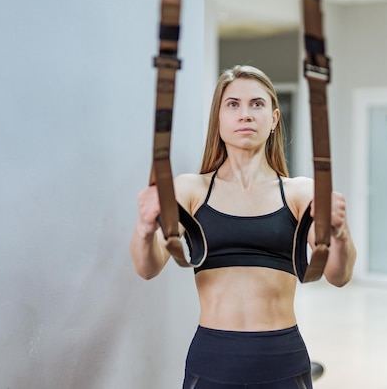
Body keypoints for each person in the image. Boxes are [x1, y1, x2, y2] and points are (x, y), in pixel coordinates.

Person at [130, 65, 357, 388]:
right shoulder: (190, 190)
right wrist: (143, 228)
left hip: (282, 356)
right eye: (233, 104)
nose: (245, 114)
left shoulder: (299, 193)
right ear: (219, 119)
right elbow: (147, 267)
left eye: (257, 104)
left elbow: (339, 275)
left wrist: (340, 232)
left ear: (275, 119)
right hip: (212, 357)